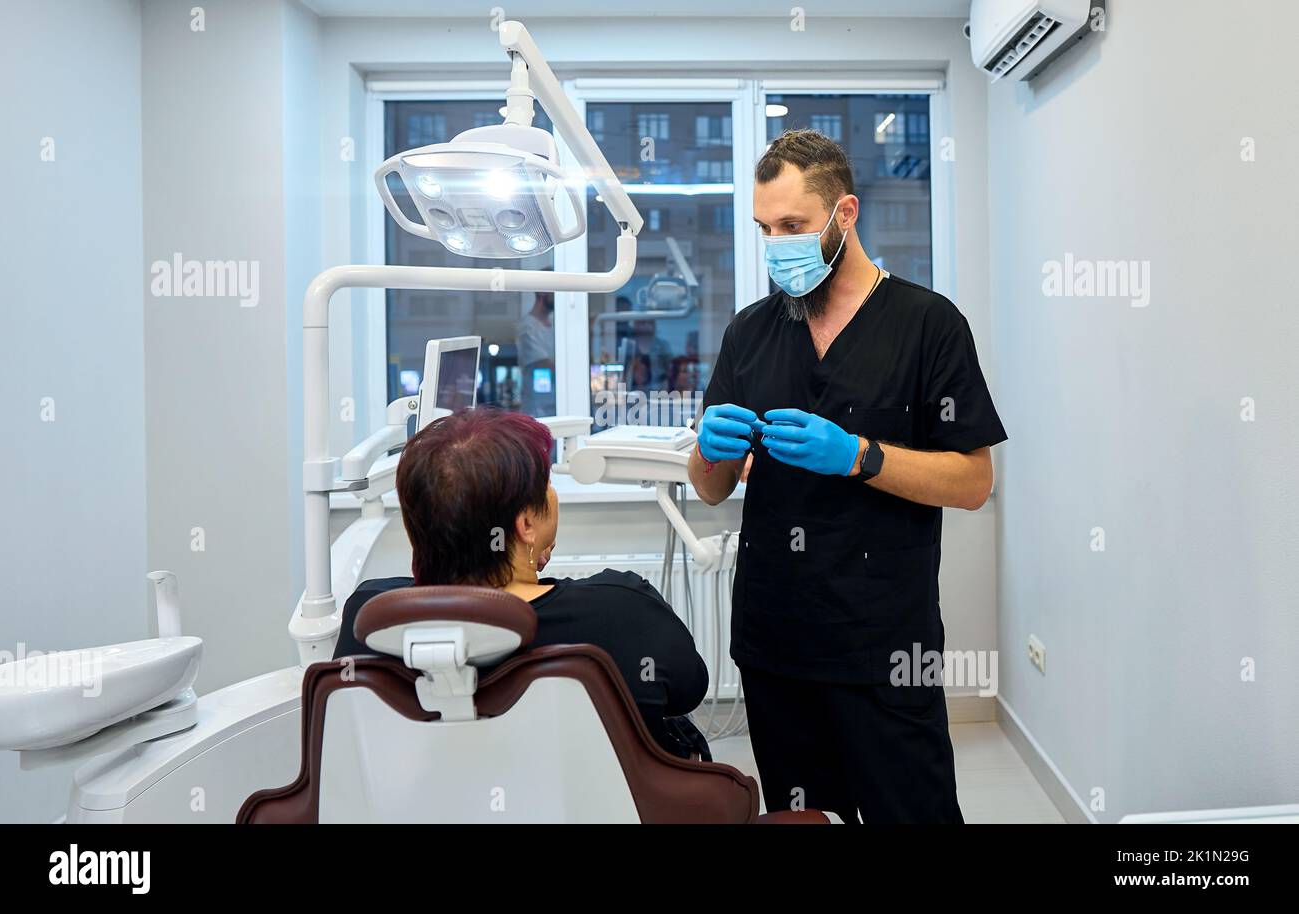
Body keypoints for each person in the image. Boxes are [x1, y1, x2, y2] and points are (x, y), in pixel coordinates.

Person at [689, 129, 1008, 823]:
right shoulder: (751, 332)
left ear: (846, 213)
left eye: (793, 226)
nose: (777, 243)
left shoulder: (928, 325)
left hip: (885, 645)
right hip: (777, 643)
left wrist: (860, 457)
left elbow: (974, 482)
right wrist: (705, 451)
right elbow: (712, 486)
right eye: (765, 228)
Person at [334, 406, 712, 761]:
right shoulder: (624, 611)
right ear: (527, 525)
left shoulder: (370, 620)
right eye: (547, 482)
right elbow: (687, 690)